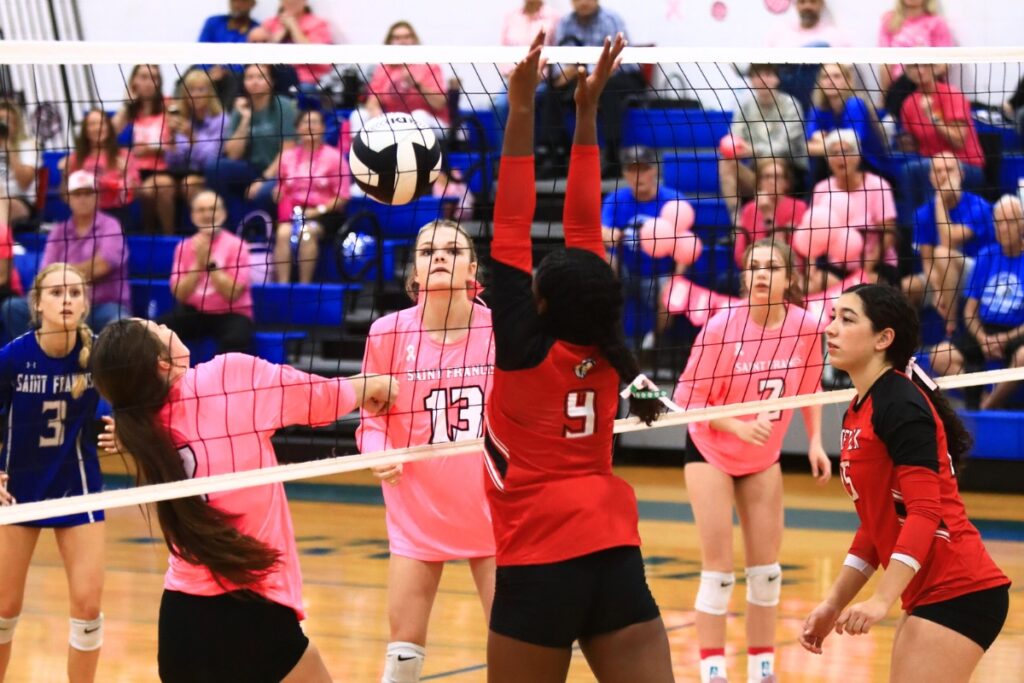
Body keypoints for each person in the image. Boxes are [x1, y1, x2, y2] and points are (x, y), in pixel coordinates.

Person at [484, 32, 674, 683]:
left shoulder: (523, 346)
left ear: (538, 302)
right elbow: (585, 232)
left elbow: (512, 226)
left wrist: (521, 108)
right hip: (612, 546)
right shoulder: (603, 336)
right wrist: (589, 113)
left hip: (537, 554)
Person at [91, 317, 397, 682]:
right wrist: (375, 384)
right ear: (162, 362)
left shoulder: (141, 426)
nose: (161, 322)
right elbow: (319, 399)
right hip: (250, 608)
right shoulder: (226, 379)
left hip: (180, 625)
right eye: (154, 328)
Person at [801, 283, 1010, 683]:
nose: (831, 329)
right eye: (832, 317)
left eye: (847, 319)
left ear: (884, 338)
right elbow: (876, 521)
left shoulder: (901, 404)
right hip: (933, 592)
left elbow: (925, 512)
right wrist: (833, 602)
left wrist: (881, 599)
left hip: (959, 589)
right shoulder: (861, 406)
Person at [673, 238, 831, 683]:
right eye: (754, 266)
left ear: (789, 279)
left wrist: (816, 441)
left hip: (764, 456)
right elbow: (689, 402)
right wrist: (739, 427)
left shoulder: (805, 327)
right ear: (744, 276)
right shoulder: (722, 327)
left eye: (772, 267)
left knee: (766, 574)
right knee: (719, 574)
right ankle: (712, 671)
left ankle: (763, 671)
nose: (761, 274)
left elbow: (811, 387)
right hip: (710, 451)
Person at [357, 219, 495, 683]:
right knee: (403, 649)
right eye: (427, 251)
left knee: (514, 641)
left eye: (452, 251)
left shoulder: (501, 330)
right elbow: (370, 414)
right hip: (417, 511)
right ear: (415, 272)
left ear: (472, 269)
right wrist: (377, 450)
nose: (438, 257)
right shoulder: (387, 333)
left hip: (494, 510)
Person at [0, 264, 105, 683]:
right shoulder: (13, 358)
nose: (67, 300)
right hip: (17, 490)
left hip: (76, 488)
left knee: (88, 607)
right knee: (4, 608)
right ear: (37, 304)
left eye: (76, 293)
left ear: (85, 304)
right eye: (57, 292)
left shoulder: (99, 356)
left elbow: (135, 402)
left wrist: (124, 431)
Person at [1, 170, 130, 341]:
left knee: (120, 322)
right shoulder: (58, 231)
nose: (83, 199)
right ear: (68, 198)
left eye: (88, 193)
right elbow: (46, 273)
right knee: (13, 307)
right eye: (77, 194)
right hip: (59, 304)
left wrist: (62, 273)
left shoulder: (111, 226)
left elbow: (103, 265)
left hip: (102, 304)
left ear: (97, 197)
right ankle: (32, 359)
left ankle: (102, 367)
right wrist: (77, 273)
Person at [929, 195, 1024, 408]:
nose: (1003, 228)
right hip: (984, 329)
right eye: (998, 222)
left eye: (1009, 222)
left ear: (1022, 225)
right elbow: (970, 311)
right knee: (939, 356)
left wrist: (1004, 338)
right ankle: (982, 400)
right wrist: (983, 338)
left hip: (1017, 331)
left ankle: (988, 405)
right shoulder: (986, 255)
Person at [538, 0, 645, 177]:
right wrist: (562, 74)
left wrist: (583, 70)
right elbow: (559, 58)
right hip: (583, 74)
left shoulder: (610, 20)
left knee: (608, 88)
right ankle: (553, 152)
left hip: (621, 74)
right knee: (551, 89)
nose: (583, 2)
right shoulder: (565, 23)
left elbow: (617, 60)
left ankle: (612, 155)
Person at [600, 145, 684, 348]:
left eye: (644, 169)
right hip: (625, 271)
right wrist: (612, 235)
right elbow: (603, 232)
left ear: (654, 170)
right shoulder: (615, 199)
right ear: (624, 174)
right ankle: (611, 342)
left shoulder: (673, 199)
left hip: (661, 272)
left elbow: (685, 244)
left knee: (671, 295)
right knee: (607, 258)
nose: (639, 175)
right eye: (632, 170)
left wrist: (677, 280)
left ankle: (653, 342)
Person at [903, 152, 994, 335]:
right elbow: (927, 261)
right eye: (938, 171)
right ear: (931, 178)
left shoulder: (979, 206)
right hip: (942, 274)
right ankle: (911, 344)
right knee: (908, 286)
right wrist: (938, 290)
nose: (944, 175)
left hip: (977, 273)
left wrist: (940, 202)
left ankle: (950, 326)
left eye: (949, 170)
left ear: (961, 174)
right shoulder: (921, 214)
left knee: (943, 253)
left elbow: (948, 240)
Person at [255, 109, 349, 283]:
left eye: (314, 122)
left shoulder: (334, 157)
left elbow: (342, 196)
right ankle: (283, 286)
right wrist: (278, 195)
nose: (310, 126)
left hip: (326, 214)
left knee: (306, 233)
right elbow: (282, 188)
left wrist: (317, 211)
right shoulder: (287, 157)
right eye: (305, 122)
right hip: (294, 213)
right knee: (283, 233)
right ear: (297, 128)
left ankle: (304, 285)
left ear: (322, 127)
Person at [158, 190, 254, 355]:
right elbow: (179, 294)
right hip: (195, 312)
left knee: (235, 340)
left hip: (232, 313)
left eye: (213, 209)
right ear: (193, 215)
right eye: (201, 210)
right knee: (156, 333)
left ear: (223, 213)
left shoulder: (238, 246)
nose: (208, 214)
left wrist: (210, 263)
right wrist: (197, 263)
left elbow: (233, 293)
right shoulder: (184, 247)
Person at [719, 63, 808, 223]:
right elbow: (734, 138)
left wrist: (753, 150)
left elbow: (783, 147)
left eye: (768, 74)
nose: (763, 80)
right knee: (727, 162)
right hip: (758, 174)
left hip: (789, 173)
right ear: (751, 80)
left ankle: (774, 221)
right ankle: (738, 224)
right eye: (757, 75)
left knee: (774, 164)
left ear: (777, 79)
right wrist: (735, 147)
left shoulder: (791, 105)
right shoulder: (744, 105)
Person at [209, 64, 297, 218]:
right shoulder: (241, 108)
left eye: (260, 77)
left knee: (262, 193)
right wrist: (245, 120)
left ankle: (262, 233)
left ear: (271, 81)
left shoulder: (284, 106)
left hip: (279, 171)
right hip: (252, 168)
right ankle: (226, 224)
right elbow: (233, 155)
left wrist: (263, 180)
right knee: (215, 168)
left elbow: (287, 151)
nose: (255, 82)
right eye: (249, 77)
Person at [811, 129, 898, 283]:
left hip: (876, 264)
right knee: (814, 284)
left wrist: (866, 269)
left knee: (869, 287)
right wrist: (811, 269)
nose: (840, 158)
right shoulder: (821, 188)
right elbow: (812, 234)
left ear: (857, 156)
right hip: (835, 266)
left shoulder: (878, 185)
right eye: (834, 153)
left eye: (845, 152)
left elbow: (888, 233)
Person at [352, 22, 450, 138]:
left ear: (414, 40)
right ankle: (361, 154)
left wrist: (417, 85)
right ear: (390, 42)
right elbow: (373, 100)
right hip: (395, 122)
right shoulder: (384, 68)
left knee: (418, 116)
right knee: (359, 115)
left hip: (433, 124)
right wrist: (375, 113)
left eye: (407, 37)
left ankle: (413, 154)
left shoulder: (429, 65)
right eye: (397, 38)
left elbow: (439, 104)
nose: (402, 41)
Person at [113, 64, 177, 234]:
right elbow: (107, 134)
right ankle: (148, 236)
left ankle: (167, 236)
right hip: (134, 170)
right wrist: (126, 105)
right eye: (144, 77)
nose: (149, 83)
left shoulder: (169, 105)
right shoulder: (130, 111)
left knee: (157, 187)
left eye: (154, 78)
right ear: (134, 81)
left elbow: (179, 142)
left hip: (164, 169)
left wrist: (153, 149)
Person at [806, 64, 890, 179]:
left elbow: (849, 147)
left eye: (836, 76)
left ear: (848, 81)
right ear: (819, 82)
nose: (830, 81)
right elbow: (807, 146)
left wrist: (824, 142)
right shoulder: (818, 109)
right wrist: (831, 146)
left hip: (870, 167)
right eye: (825, 77)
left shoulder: (855, 104)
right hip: (835, 165)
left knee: (826, 162)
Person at [62, 109, 140, 230]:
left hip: (117, 214)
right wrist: (65, 175)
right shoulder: (75, 159)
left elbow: (136, 193)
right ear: (85, 131)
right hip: (84, 215)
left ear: (109, 128)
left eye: (102, 123)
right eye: (92, 124)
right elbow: (66, 197)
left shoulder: (124, 155)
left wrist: (126, 175)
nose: (97, 128)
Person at [767, 0, 850, 114]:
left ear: (821, 4)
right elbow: (765, 68)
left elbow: (846, 72)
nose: (807, 6)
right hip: (784, 102)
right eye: (802, 2)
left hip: (819, 99)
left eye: (813, 2)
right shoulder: (780, 34)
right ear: (796, 5)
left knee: (821, 46)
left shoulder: (834, 35)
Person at [165, 68, 231, 210]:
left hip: (212, 176)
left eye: (200, 90)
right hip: (181, 174)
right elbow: (172, 163)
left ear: (209, 93)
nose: (195, 95)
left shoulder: (221, 120)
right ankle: (166, 233)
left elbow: (211, 160)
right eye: (191, 90)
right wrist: (171, 140)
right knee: (159, 184)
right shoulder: (181, 119)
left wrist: (192, 137)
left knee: (189, 183)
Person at [877, 0, 955, 115]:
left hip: (927, 83)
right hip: (898, 88)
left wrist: (921, 70)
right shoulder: (889, 21)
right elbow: (885, 64)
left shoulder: (936, 23)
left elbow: (944, 64)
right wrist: (883, 97)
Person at [734, 158, 807, 269]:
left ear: (786, 183)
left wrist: (768, 215)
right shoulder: (749, 209)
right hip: (756, 271)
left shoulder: (799, 207)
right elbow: (739, 255)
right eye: (767, 177)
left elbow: (791, 258)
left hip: (790, 272)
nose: (772, 181)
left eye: (778, 177)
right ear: (759, 183)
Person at [248, 0, 333, 88]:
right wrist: (281, 33)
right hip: (271, 78)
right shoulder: (270, 23)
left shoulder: (318, 24)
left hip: (305, 81)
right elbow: (259, 55)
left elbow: (318, 56)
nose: (291, 1)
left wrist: (294, 28)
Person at [0, 99, 40, 229]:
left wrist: (8, 147)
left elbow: (25, 183)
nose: (3, 124)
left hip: (21, 201)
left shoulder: (28, 145)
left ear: (16, 125)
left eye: (7, 121)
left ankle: (3, 243)